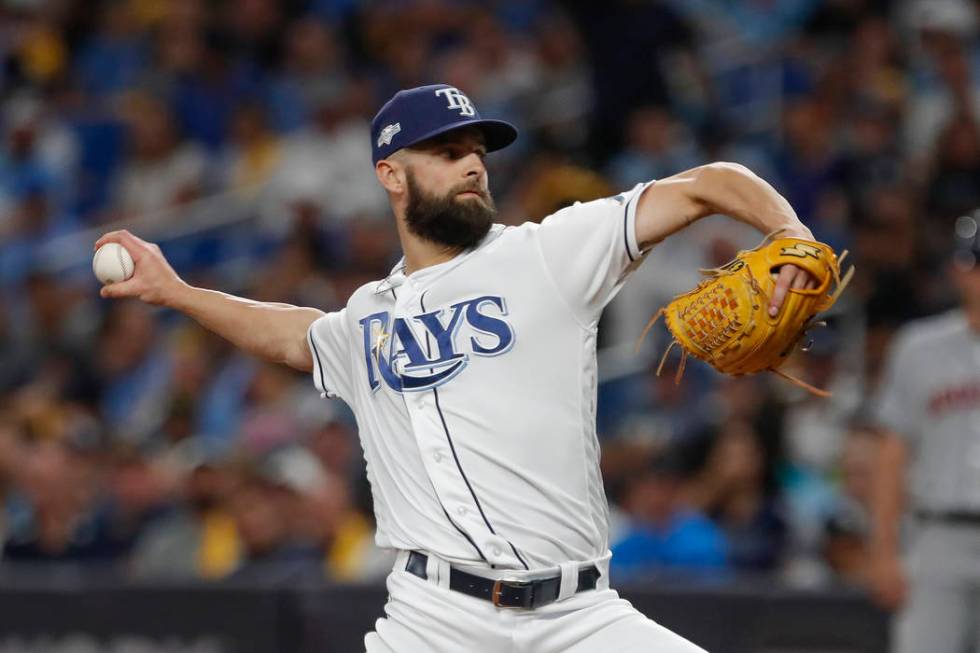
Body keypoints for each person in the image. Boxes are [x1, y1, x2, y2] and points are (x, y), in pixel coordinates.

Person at [96, 84, 817, 652]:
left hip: (579, 616)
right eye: (445, 150)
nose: (472, 161)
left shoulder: (547, 252)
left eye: (477, 148)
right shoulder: (365, 316)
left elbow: (706, 183)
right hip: (434, 621)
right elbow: (297, 336)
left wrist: (789, 230)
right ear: (391, 173)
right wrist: (177, 292)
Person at [868, 212, 980, 653]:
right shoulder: (919, 346)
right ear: (957, 268)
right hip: (938, 535)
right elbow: (892, 455)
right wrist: (883, 550)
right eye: (975, 262)